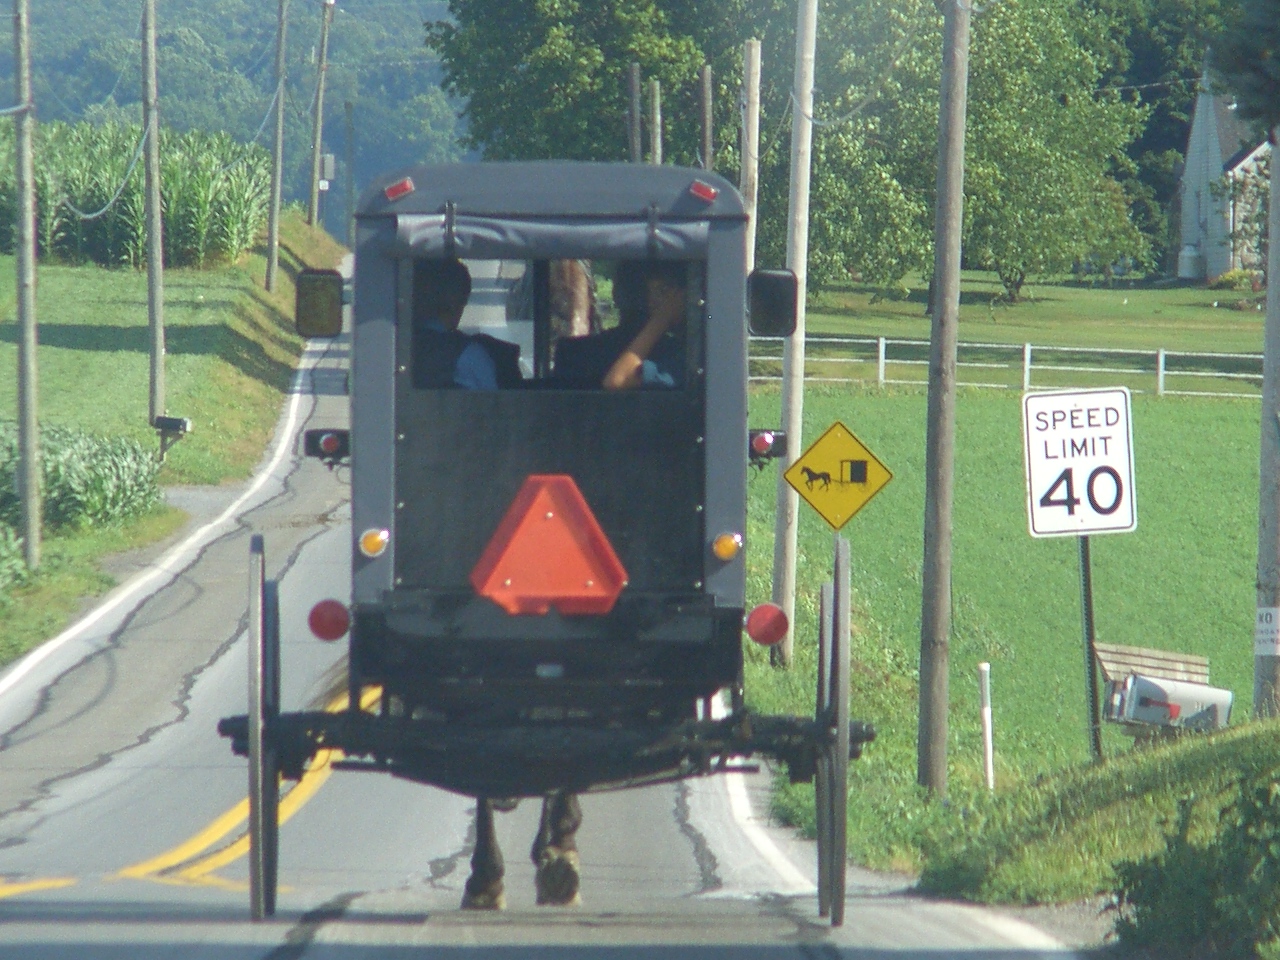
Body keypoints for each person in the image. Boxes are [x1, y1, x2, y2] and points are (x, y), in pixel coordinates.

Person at [551, 260, 686, 389]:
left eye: (664, 291)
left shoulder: (573, 352)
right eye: (663, 291)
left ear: (616, 294)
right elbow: (618, 381)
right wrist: (664, 316)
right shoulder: (676, 354)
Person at [411, 258, 521, 389]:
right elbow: (493, 400)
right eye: (464, 301)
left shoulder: (396, 348)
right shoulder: (471, 355)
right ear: (456, 301)